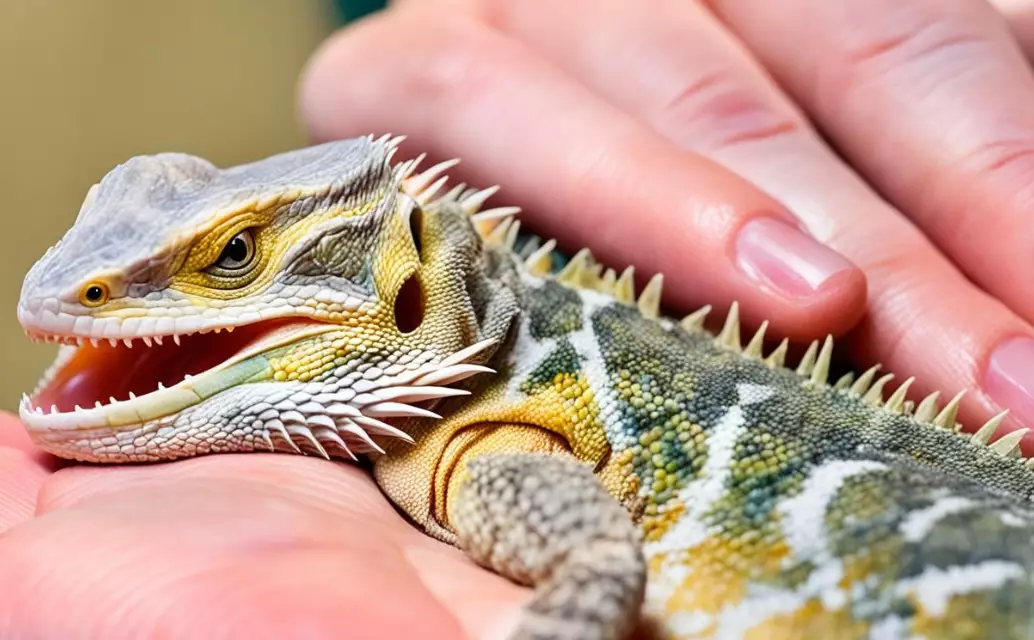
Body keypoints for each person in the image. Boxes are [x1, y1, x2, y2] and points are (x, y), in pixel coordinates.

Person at [5, 0, 1034, 636]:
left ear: (407, 291)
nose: (89, 297)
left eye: (233, 258)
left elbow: (595, 564)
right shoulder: (466, 411)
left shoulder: (489, 446)